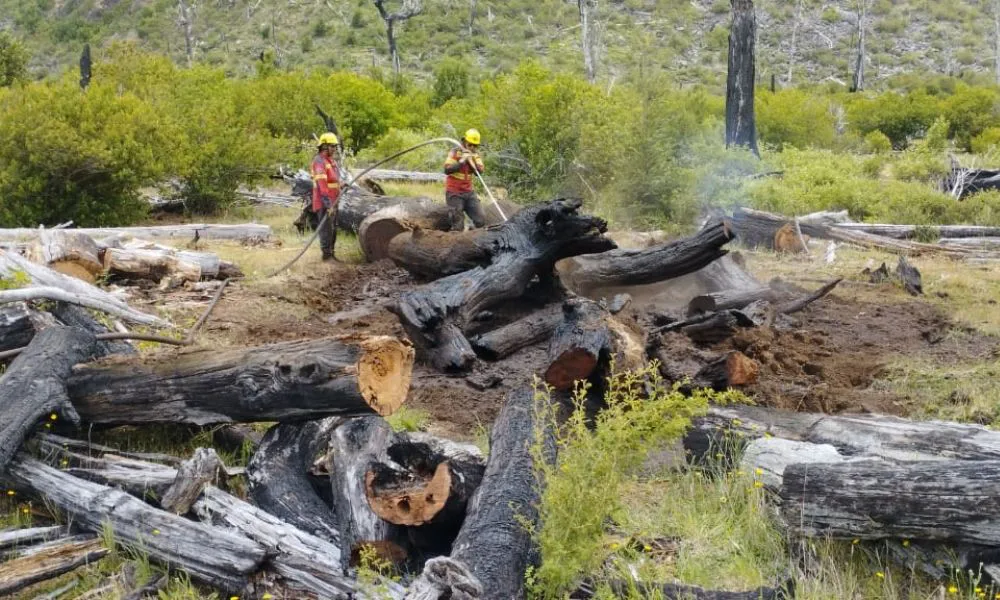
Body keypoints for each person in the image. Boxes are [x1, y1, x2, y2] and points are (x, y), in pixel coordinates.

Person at [443, 128, 486, 231]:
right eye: (470, 144)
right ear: (464, 141)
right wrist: (462, 161)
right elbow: (447, 170)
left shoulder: (475, 155)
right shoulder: (455, 152)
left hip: (469, 193)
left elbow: (479, 172)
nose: (472, 147)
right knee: (458, 226)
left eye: (475, 145)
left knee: (481, 220)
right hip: (454, 193)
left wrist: (471, 160)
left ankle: (471, 234)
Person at [311, 132, 342, 261]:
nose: (335, 148)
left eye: (335, 146)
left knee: (333, 229)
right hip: (324, 202)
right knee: (326, 230)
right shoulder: (319, 162)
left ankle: (332, 255)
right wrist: (328, 204)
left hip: (333, 200)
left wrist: (341, 184)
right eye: (332, 146)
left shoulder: (330, 161)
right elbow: (322, 185)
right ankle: (326, 256)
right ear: (324, 146)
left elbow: (332, 180)